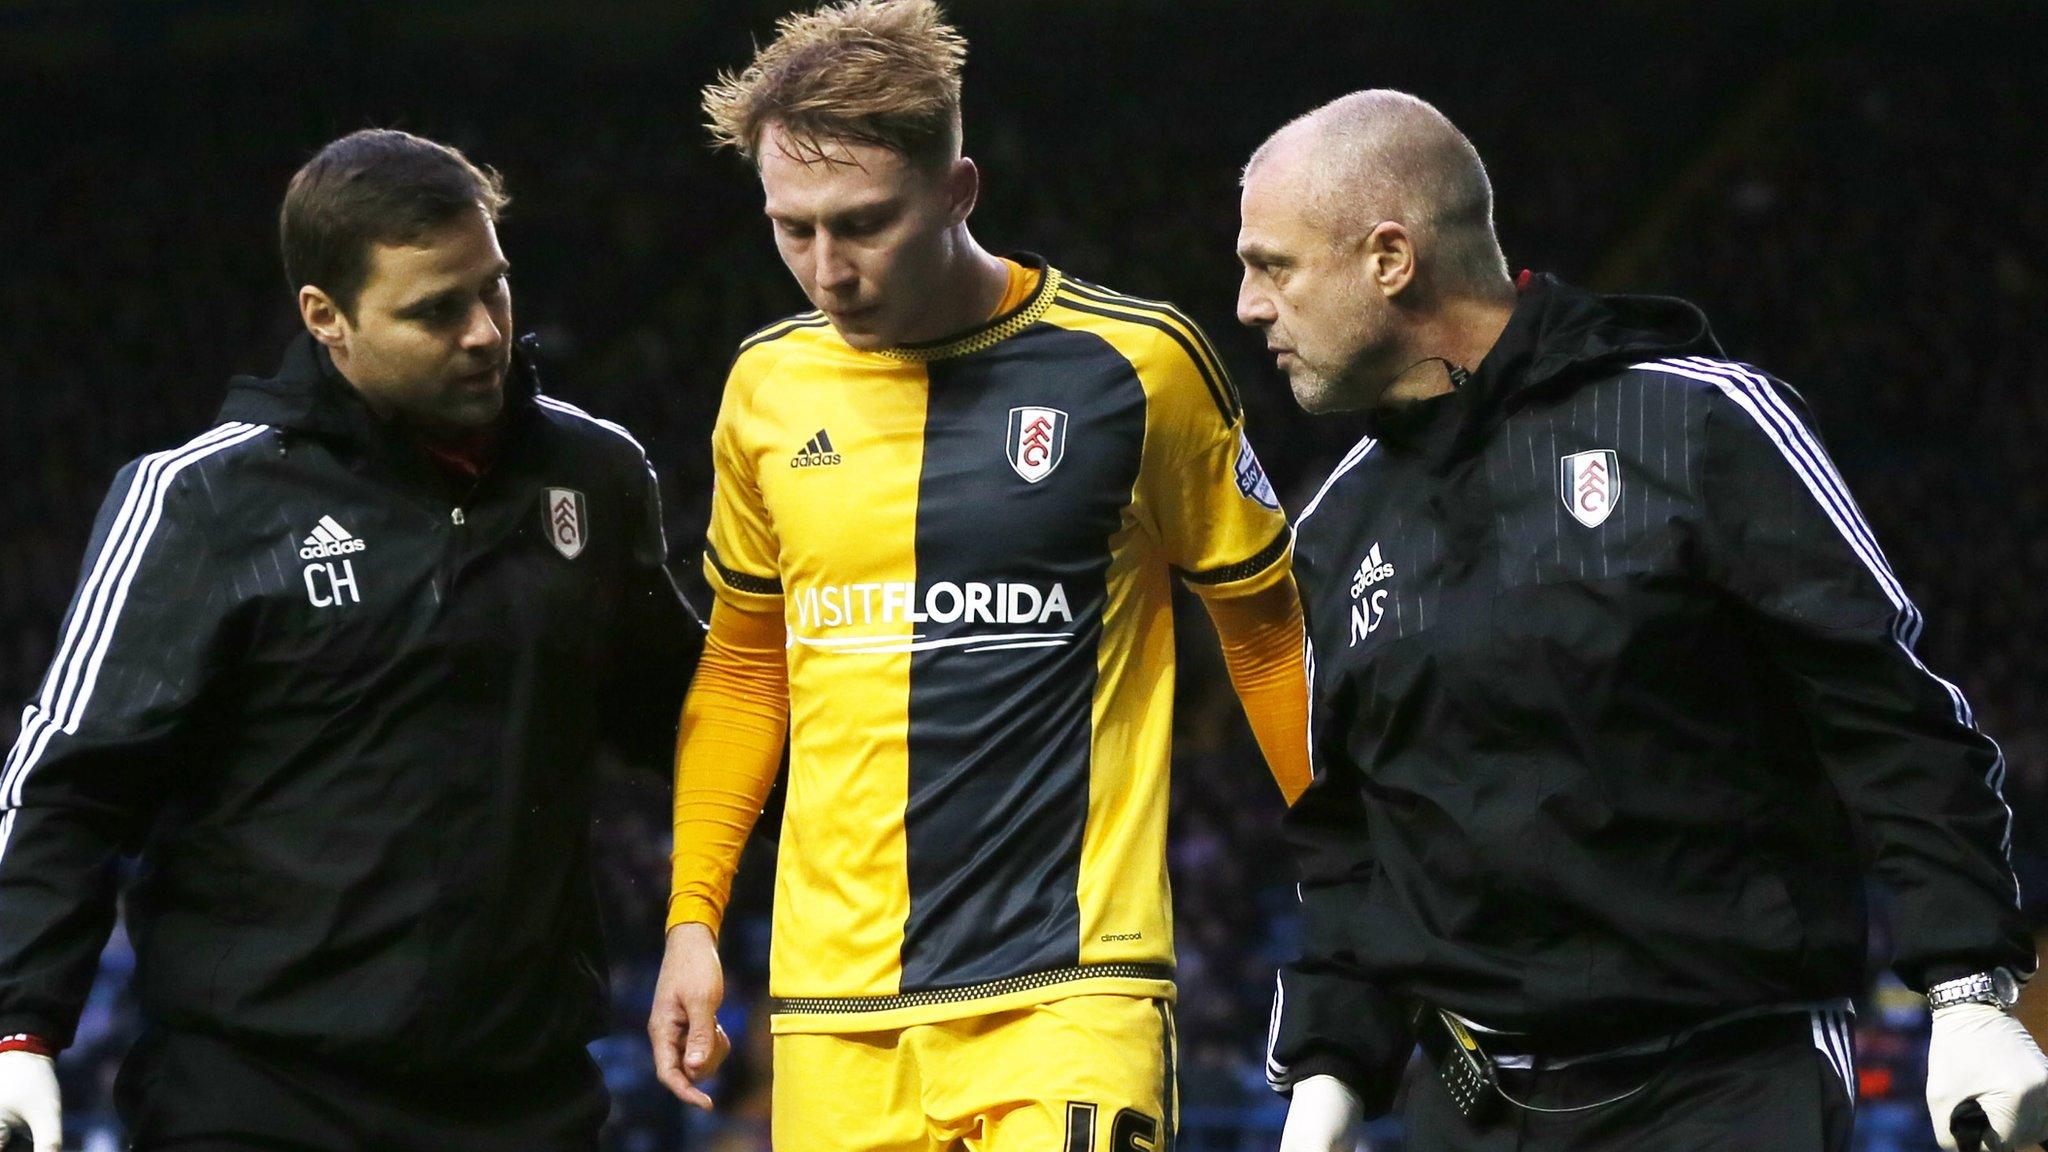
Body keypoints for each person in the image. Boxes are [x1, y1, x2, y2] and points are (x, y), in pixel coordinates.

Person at [1235, 90, 2048, 1152]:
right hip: (1469, 1101)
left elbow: (1888, 721)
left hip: (1724, 1080)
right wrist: (1329, 1075)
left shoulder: (1696, 422)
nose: (1250, 306)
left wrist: (1968, 991)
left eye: (1272, 265)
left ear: (1389, 259)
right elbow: (1352, 836)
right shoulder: (1335, 525)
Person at [646, 1, 1311, 1146]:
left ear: (958, 191)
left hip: (1070, 987)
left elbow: (1264, 637)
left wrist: (1357, 867)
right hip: (831, 1010)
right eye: (790, 229)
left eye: (861, 224)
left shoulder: (1134, 366)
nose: (826, 270)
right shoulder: (764, 389)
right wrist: (692, 915)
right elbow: (749, 669)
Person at [0, 129, 702, 1152]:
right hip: (258, 1102)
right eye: (433, 311)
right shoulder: (202, 501)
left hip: (525, 1102)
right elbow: (69, 783)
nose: (483, 334)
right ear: (324, 318)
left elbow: (695, 719)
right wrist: (20, 1033)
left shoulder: (592, 476)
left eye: (492, 290)